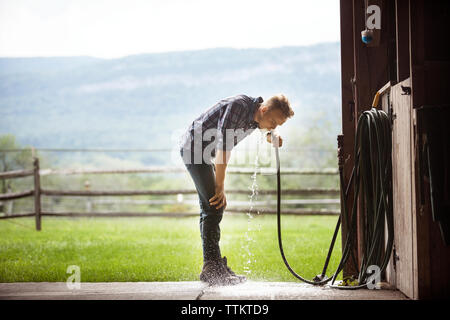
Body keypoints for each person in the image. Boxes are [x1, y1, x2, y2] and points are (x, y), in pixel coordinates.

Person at [179, 94, 294, 285]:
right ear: (264, 110)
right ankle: (212, 268)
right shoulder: (238, 108)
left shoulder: (256, 114)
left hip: (205, 153)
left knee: (212, 207)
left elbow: (261, 125)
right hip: (194, 149)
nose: (274, 126)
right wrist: (220, 187)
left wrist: (271, 135)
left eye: (278, 125)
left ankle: (214, 265)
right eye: (273, 122)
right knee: (214, 204)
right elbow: (224, 150)